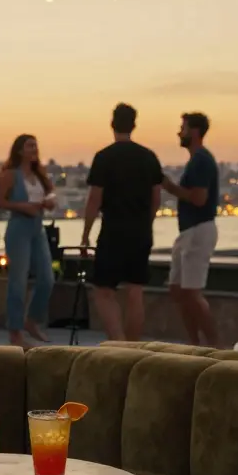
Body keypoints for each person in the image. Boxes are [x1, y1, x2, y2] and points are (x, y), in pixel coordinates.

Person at [81, 104, 163, 341]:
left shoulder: (104, 157)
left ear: (112, 124)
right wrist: (146, 223)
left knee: (103, 290)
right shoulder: (149, 157)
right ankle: (133, 347)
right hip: (140, 232)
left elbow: (94, 199)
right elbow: (156, 198)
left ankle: (118, 343)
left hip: (113, 231)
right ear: (134, 124)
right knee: (135, 291)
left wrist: (86, 235)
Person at [160, 112, 221, 347]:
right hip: (188, 231)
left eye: (182, 128)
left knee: (191, 292)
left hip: (198, 230)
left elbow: (198, 198)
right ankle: (194, 342)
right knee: (178, 289)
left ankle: (215, 346)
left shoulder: (201, 161)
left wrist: (169, 186)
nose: (179, 132)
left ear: (194, 131)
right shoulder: (196, 160)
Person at [0, 134, 56, 347]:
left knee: (47, 279)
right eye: (30, 145)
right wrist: (23, 207)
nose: (34, 149)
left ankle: (32, 320)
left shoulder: (40, 175)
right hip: (19, 228)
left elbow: (50, 195)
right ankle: (15, 331)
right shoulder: (11, 175)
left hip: (37, 229)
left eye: (36, 145)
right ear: (20, 150)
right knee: (18, 281)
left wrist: (49, 202)